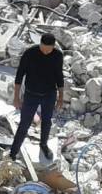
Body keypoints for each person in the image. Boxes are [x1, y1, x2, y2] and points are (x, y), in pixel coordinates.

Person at [11, 33, 65, 161]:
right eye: (43, 48)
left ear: (53, 46)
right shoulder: (30, 53)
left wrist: (61, 98)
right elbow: (19, 75)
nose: (46, 52)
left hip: (49, 95)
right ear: (40, 43)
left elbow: (59, 76)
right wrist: (16, 97)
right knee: (24, 123)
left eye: (49, 49)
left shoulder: (57, 55)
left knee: (46, 122)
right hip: (31, 95)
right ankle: (13, 152)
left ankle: (44, 145)